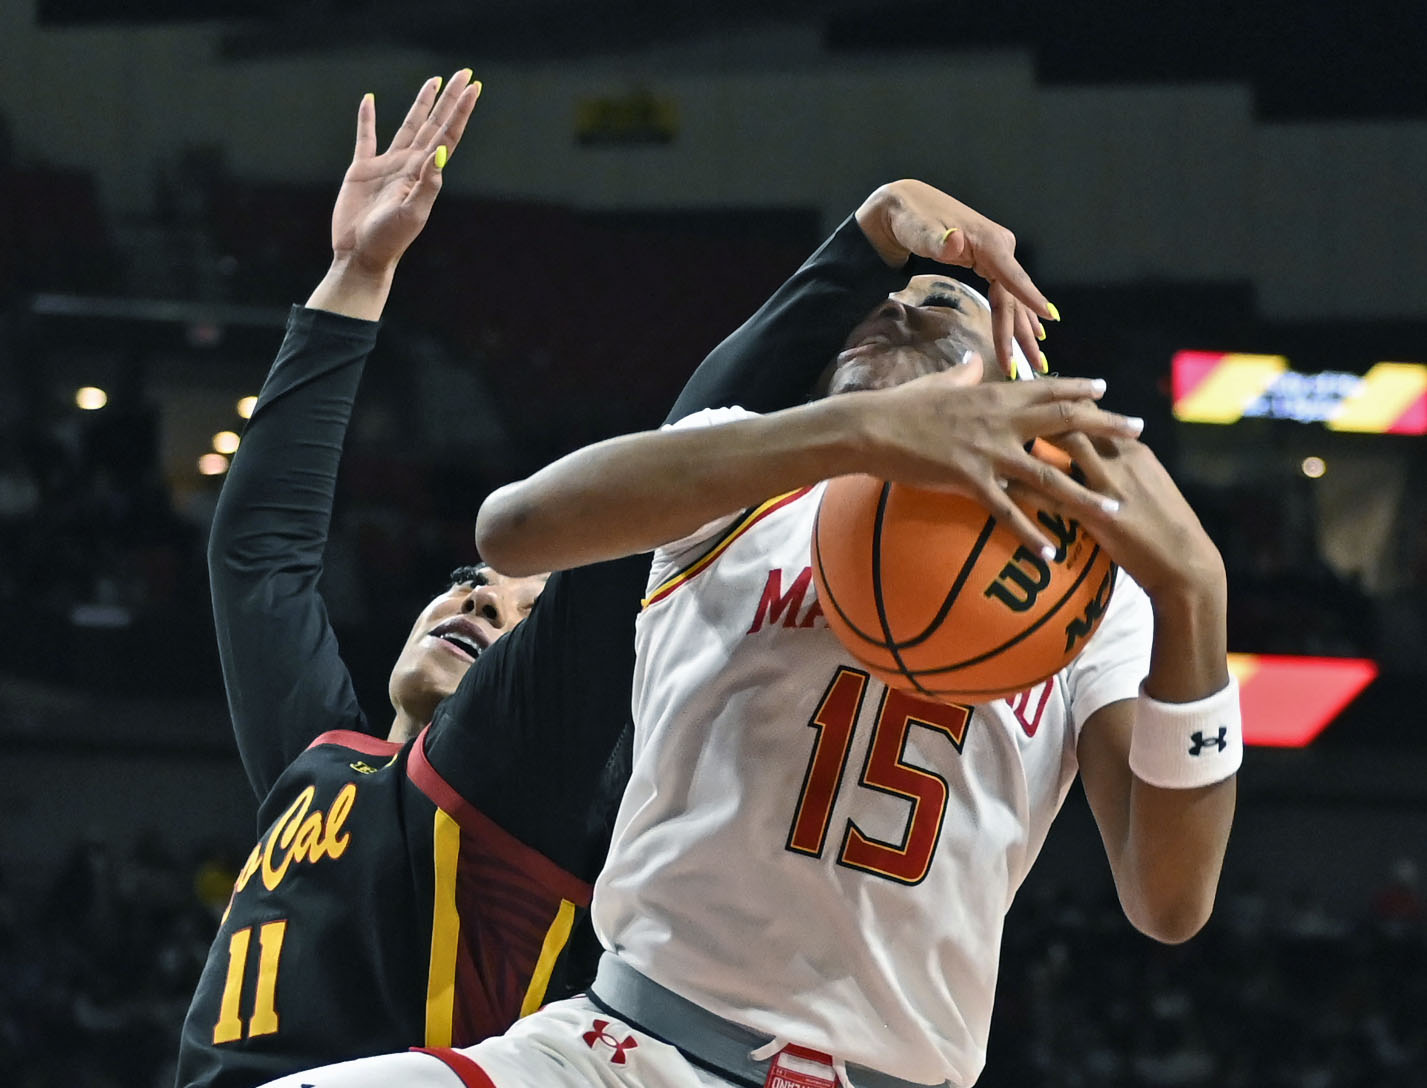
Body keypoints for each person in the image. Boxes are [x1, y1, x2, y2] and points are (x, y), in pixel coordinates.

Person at [177, 68, 1068, 1088]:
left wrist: (856, 253)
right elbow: (257, 554)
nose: (480, 597)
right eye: (469, 584)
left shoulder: (519, 767)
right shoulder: (321, 761)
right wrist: (352, 275)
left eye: (516, 612)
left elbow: (668, 477)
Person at [260, 187, 1238, 1087]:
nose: (897, 305)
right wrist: (852, 434)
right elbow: (512, 529)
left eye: (940, 305)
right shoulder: (746, 471)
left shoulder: (1088, 592)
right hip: (622, 1051)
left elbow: (1168, 897)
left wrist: (1193, 592)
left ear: (1016, 375)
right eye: (881, 304)